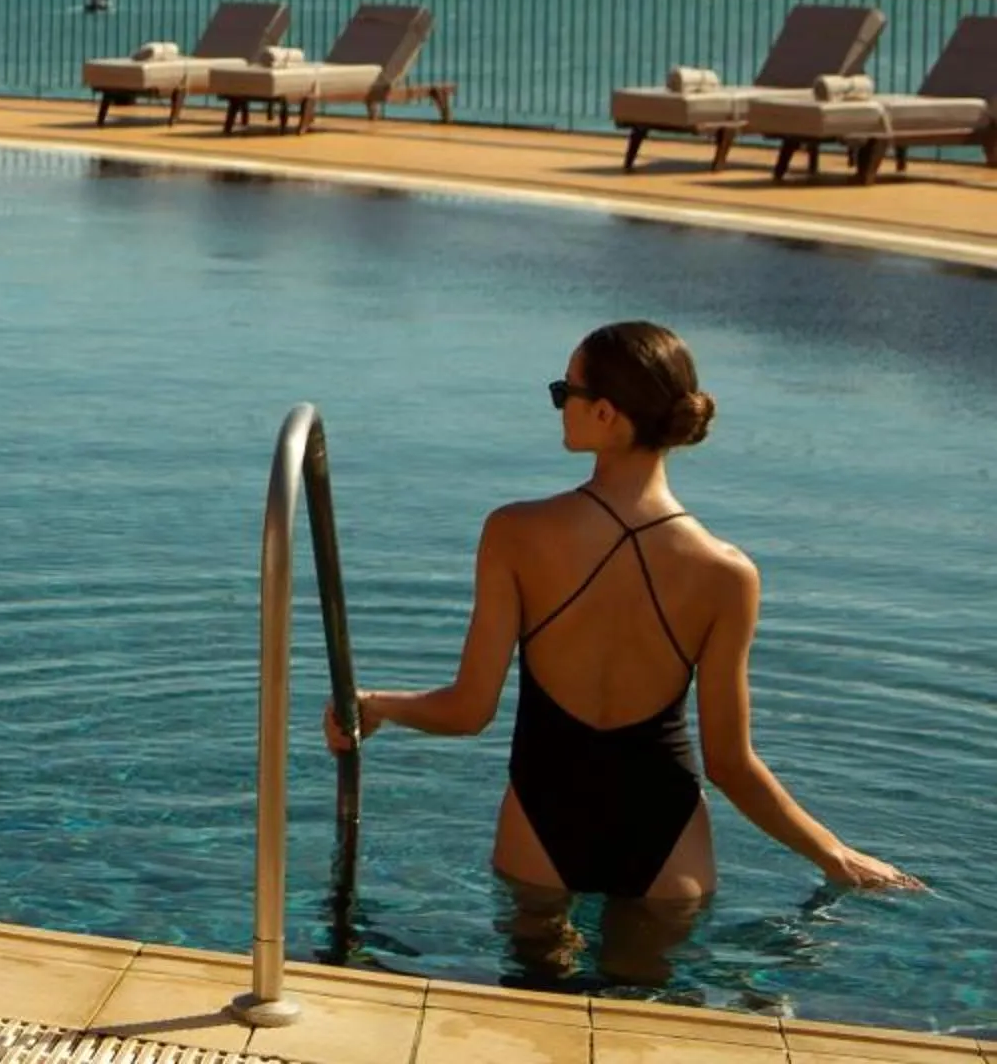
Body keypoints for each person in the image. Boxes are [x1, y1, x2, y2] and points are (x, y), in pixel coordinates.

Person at [328, 321, 918, 936]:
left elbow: (469, 710)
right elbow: (730, 763)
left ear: (606, 413)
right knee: (647, 1019)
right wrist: (835, 855)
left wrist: (376, 706)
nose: (559, 406)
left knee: (529, 1010)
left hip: (541, 819)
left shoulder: (514, 533)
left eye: (565, 392)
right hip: (666, 836)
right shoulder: (727, 573)